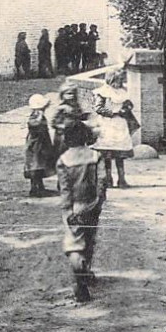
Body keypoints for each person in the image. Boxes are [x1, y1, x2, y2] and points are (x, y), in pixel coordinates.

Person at [56, 117, 107, 302]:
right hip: (92, 203)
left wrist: (67, 210)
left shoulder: (64, 160)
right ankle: (85, 272)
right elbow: (102, 180)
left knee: (74, 242)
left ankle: (80, 279)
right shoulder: (95, 156)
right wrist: (99, 199)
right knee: (89, 239)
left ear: (67, 139)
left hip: (74, 205)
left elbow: (64, 188)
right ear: (86, 136)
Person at [93, 68, 137, 188]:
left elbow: (129, 103)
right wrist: (113, 112)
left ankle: (122, 179)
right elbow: (98, 108)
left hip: (120, 124)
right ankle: (108, 179)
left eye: (121, 80)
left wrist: (126, 108)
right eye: (117, 80)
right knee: (107, 154)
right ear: (111, 80)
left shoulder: (123, 91)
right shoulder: (103, 92)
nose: (119, 83)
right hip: (107, 124)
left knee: (120, 154)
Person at [24, 93, 56, 197]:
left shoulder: (38, 115)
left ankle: (39, 187)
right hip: (35, 146)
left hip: (39, 144)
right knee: (35, 166)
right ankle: (35, 189)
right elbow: (33, 124)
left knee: (39, 166)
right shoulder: (36, 116)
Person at [51, 78, 88, 162]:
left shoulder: (76, 106)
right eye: (68, 94)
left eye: (73, 94)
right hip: (64, 133)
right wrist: (62, 127)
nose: (71, 96)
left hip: (75, 131)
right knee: (63, 150)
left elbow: (79, 115)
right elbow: (53, 122)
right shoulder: (61, 108)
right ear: (62, 95)